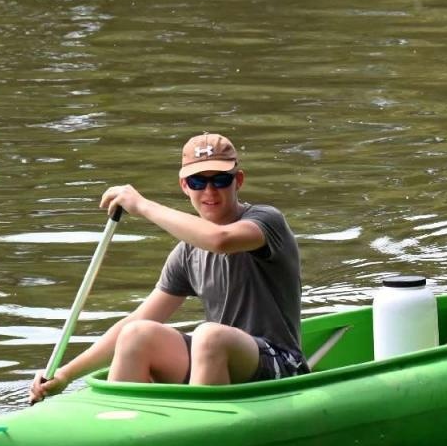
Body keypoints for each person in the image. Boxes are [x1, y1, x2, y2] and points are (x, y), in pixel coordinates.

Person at [29, 132, 306, 402]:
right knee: (137, 334)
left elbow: (220, 240)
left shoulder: (267, 221)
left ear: (238, 181)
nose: (210, 191)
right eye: (198, 181)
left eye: (220, 180)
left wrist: (142, 206)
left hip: (280, 365)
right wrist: (65, 374)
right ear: (185, 186)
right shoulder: (186, 253)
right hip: (218, 362)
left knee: (208, 335)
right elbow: (136, 319)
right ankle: (121, 428)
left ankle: (197, 434)